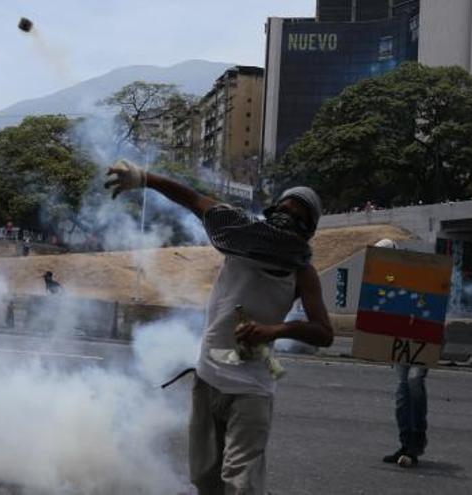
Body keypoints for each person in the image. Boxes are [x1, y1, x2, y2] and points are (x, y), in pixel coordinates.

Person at [105, 159, 334, 494]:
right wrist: (143, 178)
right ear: (272, 211)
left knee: (241, 484)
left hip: (253, 388)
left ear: (309, 230)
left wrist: (276, 330)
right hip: (209, 376)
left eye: (300, 217)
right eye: (285, 209)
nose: (289, 218)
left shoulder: (302, 273)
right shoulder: (239, 237)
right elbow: (194, 200)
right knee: (204, 479)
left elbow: (324, 332)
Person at [374, 238, 430, 468]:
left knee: (414, 381)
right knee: (401, 393)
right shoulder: (385, 277)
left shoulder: (417, 272)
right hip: (400, 340)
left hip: (421, 337)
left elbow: (429, 299)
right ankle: (406, 443)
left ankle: (418, 437)